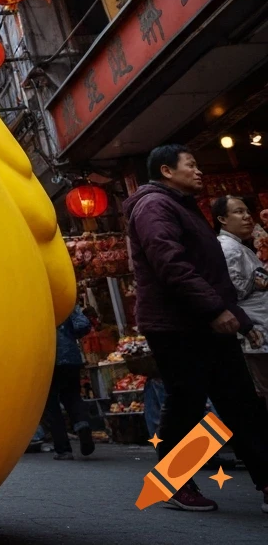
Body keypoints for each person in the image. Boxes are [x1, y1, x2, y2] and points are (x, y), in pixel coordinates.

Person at [125, 145, 268, 513]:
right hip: (177, 325)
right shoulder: (154, 206)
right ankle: (173, 483)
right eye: (192, 165)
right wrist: (215, 308)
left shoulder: (180, 206)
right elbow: (169, 263)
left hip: (202, 321)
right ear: (167, 170)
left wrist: (237, 316)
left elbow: (209, 271)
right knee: (188, 402)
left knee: (239, 402)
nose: (199, 171)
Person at [214, 195, 268, 403]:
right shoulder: (227, 248)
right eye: (238, 212)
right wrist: (260, 279)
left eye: (247, 212)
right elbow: (234, 292)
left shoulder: (239, 246)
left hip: (259, 327)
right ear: (222, 219)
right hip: (253, 329)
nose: (247, 217)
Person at [42, 304, 95, 460]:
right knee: (72, 395)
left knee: (51, 404)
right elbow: (82, 324)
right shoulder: (65, 299)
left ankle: (63, 449)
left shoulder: (33, 301)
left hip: (46, 359)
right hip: (71, 357)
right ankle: (82, 424)